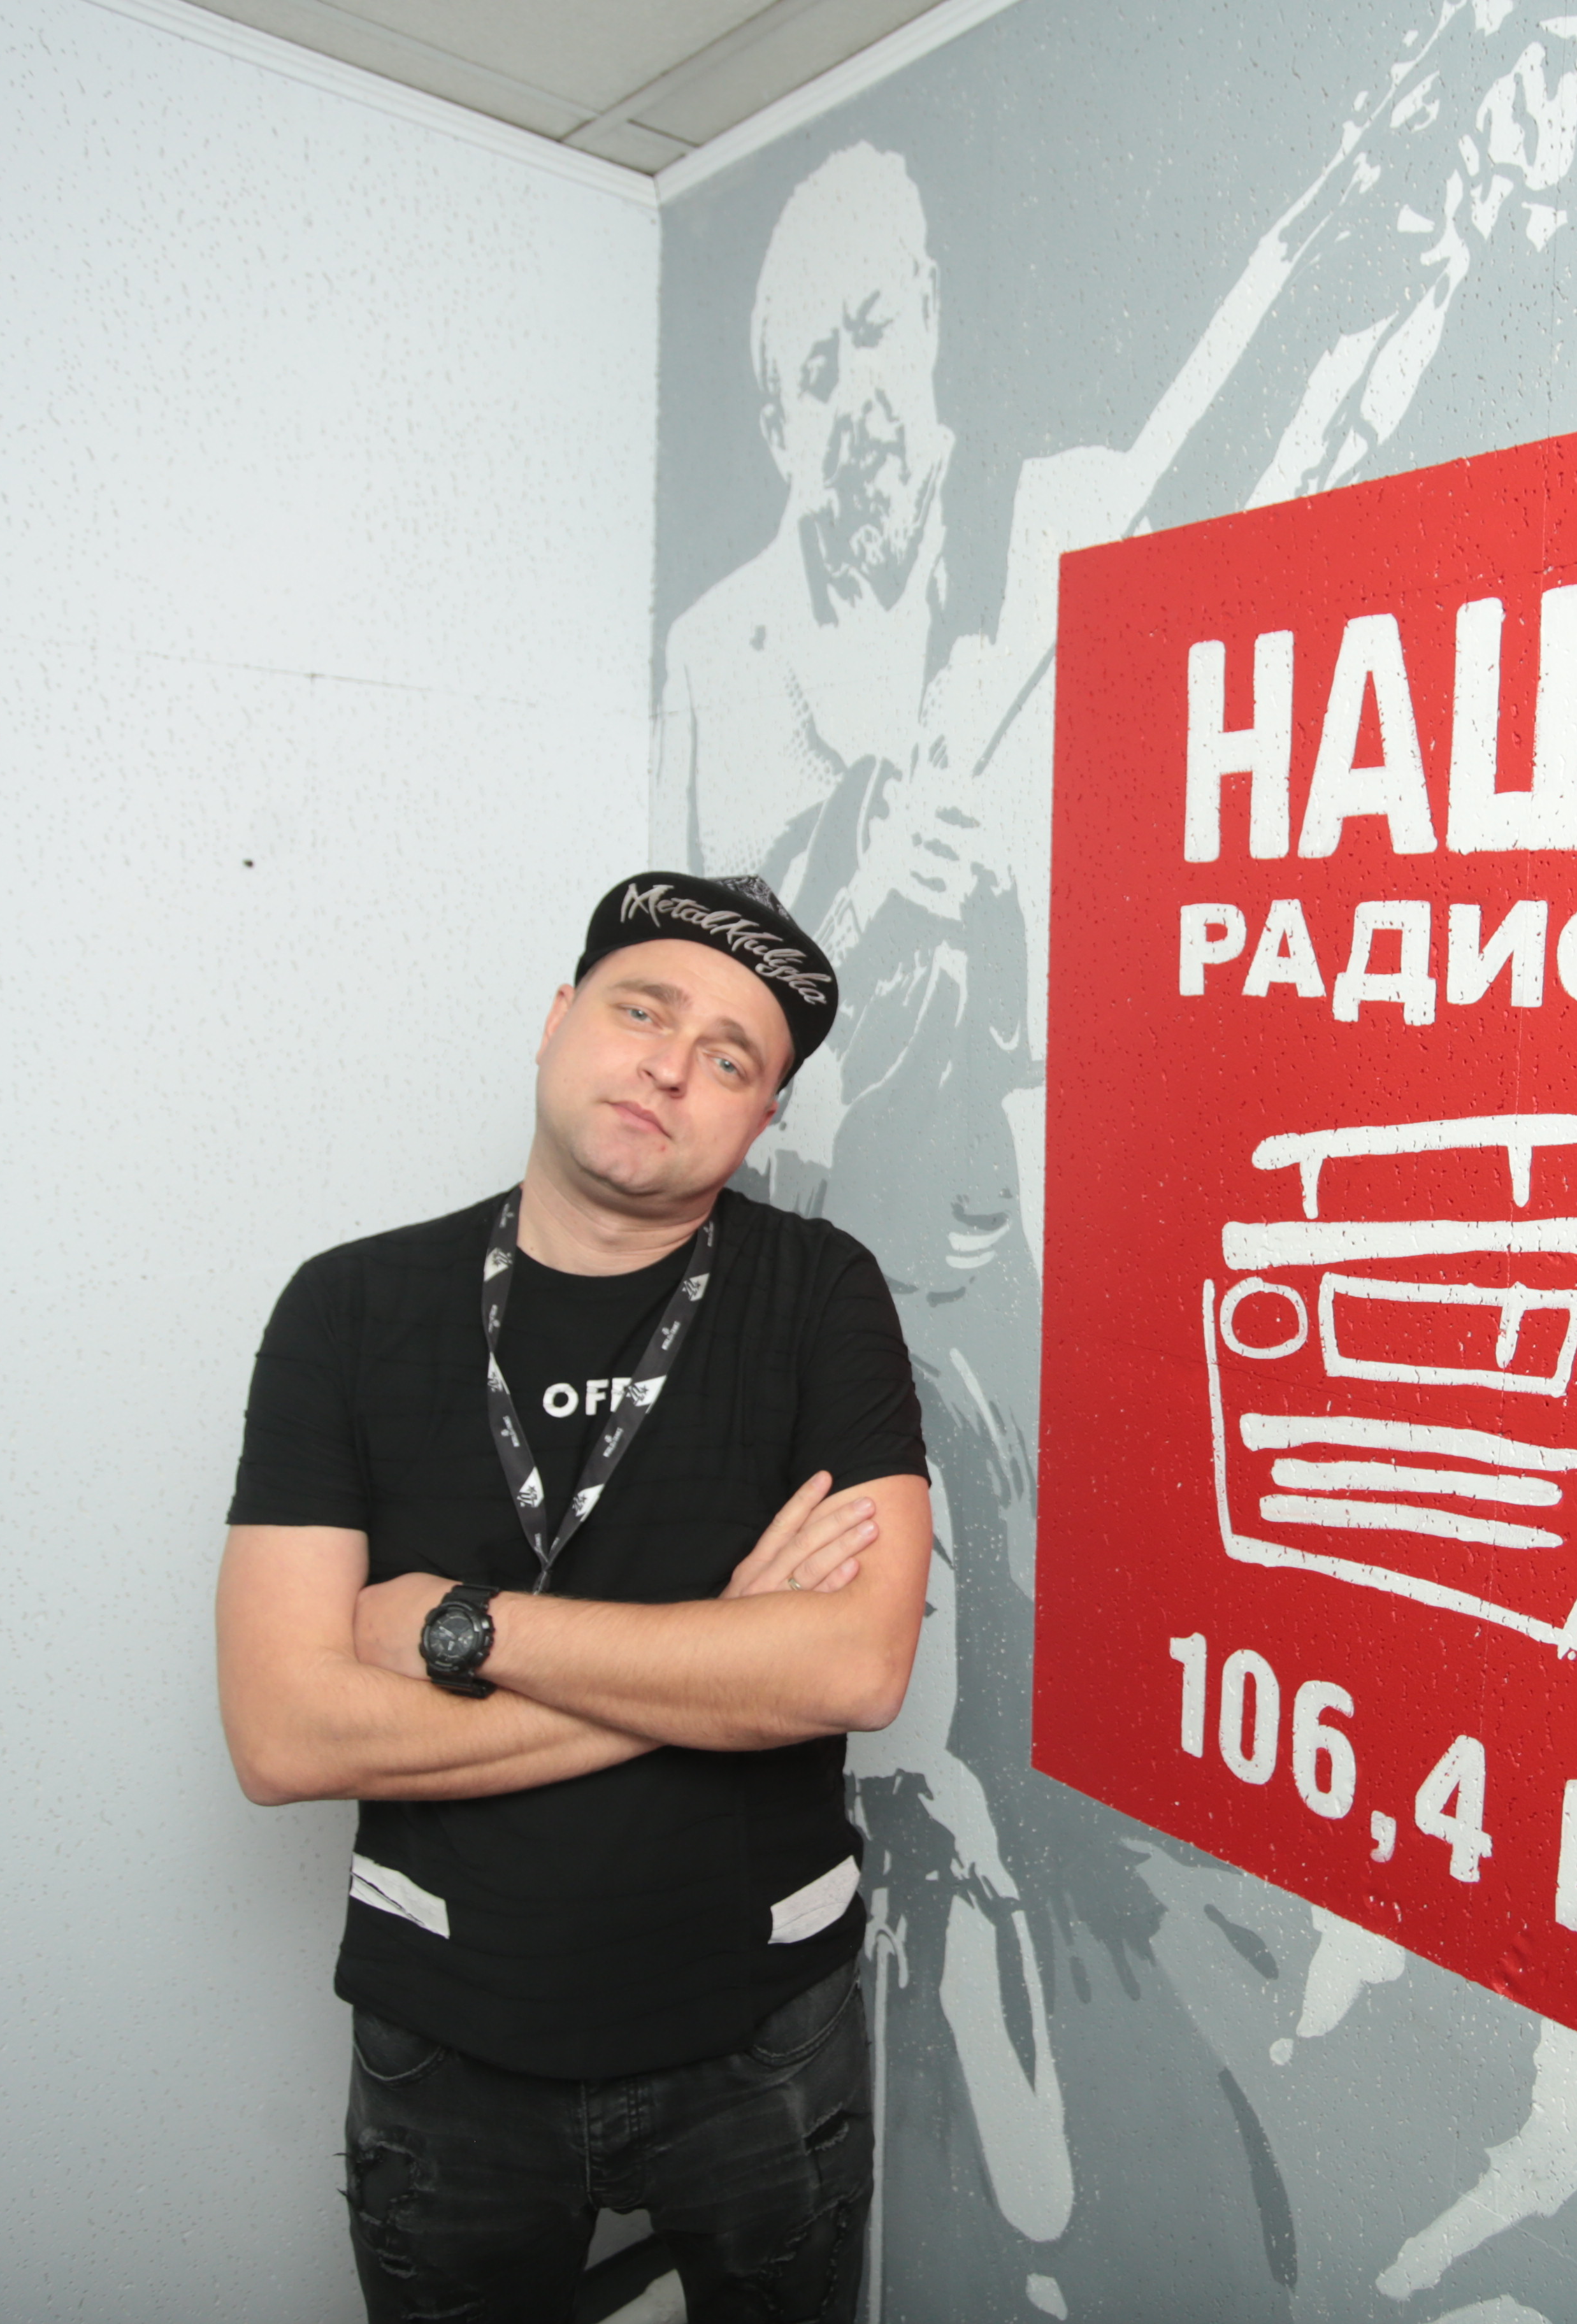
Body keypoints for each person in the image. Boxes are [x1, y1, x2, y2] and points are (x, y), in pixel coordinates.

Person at [213, 870, 935, 2324]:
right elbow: (283, 1735)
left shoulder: (820, 1292)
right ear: (558, 1021)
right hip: (446, 2035)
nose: (670, 1067)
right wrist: (723, 1660)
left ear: (765, 1118)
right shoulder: (348, 1308)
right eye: (642, 1012)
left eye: (730, 1058)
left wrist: (463, 1628)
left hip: (762, 2030)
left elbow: (854, 1671)